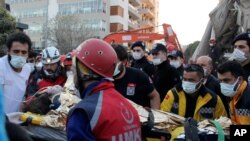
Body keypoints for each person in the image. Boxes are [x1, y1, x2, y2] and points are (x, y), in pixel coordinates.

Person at [67, 39, 141, 141]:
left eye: (74, 69)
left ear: (84, 71)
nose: (72, 72)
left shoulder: (82, 113)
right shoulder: (129, 107)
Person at [161, 64, 227, 121]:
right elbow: (163, 117)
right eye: (184, 79)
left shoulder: (213, 99)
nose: (187, 82)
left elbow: (222, 124)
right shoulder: (173, 94)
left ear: (202, 81)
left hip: (202, 135)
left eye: (191, 80)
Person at [112, 44, 160, 109]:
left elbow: (154, 96)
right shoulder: (103, 77)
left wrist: (155, 116)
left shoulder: (138, 76)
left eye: (114, 62)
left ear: (123, 61)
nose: (110, 65)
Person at [0, 32, 32, 113]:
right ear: (8, 51)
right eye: (16, 51)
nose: (20, 55)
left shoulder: (27, 69)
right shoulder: (1, 66)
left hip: (15, 118)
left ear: (28, 53)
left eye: (24, 52)